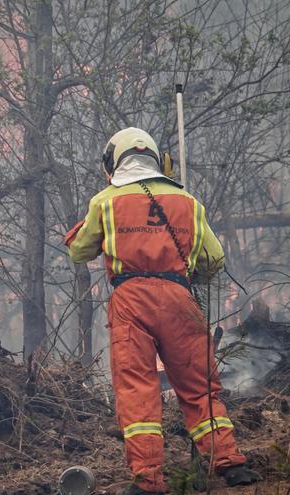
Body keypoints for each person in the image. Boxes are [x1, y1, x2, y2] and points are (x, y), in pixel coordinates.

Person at [64, 127, 261, 494]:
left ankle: (148, 480)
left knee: (137, 389)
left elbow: (79, 251)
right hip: (178, 297)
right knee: (200, 387)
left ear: (113, 162)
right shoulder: (188, 201)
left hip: (130, 300)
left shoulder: (105, 202)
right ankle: (231, 465)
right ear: (157, 159)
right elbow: (214, 259)